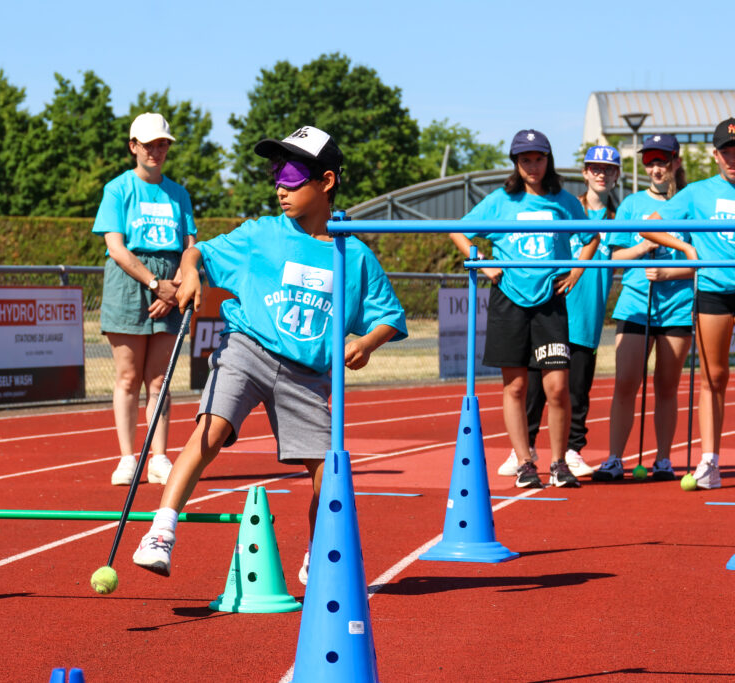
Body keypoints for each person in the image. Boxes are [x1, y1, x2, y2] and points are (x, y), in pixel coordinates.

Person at [131, 125, 408, 580]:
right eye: (276, 173)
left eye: (292, 175)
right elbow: (198, 254)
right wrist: (191, 271)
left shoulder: (354, 255)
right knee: (210, 429)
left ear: (327, 181)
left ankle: (320, 554)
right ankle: (161, 530)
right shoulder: (260, 234)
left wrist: (366, 342)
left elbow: (390, 315)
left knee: (330, 472)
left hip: (307, 375)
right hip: (247, 348)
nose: (280, 186)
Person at [450, 129, 598, 489]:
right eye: (525, 160)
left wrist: (577, 271)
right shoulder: (501, 200)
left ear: (549, 160)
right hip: (509, 299)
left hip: (550, 301)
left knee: (557, 387)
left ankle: (560, 463)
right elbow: (458, 231)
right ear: (516, 163)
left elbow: (592, 236)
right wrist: (482, 263)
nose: (533, 166)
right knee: (515, 386)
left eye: (539, 158)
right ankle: (524, 462)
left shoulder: (564, 201)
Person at [92, 113, 197, 486]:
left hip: (170, 285)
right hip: (130, 284)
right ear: (133, 146)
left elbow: (190, 247)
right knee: (128, 377)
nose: (156, 150)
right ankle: (127, 459)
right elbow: (116, 248)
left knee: (160, 379)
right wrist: (156, 284)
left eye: (162, 144)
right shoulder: (117, 189)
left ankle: (159, 457)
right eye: (149, 144)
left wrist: (175, 287)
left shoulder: (179, 194)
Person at [639, 118, 735, 489]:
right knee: (714, 376)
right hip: (713, 290)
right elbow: (647, 225)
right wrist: (685, 248)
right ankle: (710, 461)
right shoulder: (697, 193)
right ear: (715, 155)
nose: (732, 158)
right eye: (726, 152)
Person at [514, 145, 620, 479]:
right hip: (551, 313)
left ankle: (572, 452)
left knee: (576, 391)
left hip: (587, 317)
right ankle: (525, 450)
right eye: (595, 168)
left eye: (609, 169)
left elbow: (621, 253)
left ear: (617, 175)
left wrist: (646, 245)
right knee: (534, 389)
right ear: (585, 172)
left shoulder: (617, 219)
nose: (601, 174)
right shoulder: (567, 207)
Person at [593, 134, 693, 482]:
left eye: (662, 160)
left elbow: (701, 261)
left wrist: (669, 272)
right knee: (625, 382)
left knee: (666, 386)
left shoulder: (689, 201)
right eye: (649, 161)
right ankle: (614, 459)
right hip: (636, 302)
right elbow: (615, 256)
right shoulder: (632, 204)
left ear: (676, 162)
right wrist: (643, 247)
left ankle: (663, 459)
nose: (656, 168)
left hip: (677, 305)